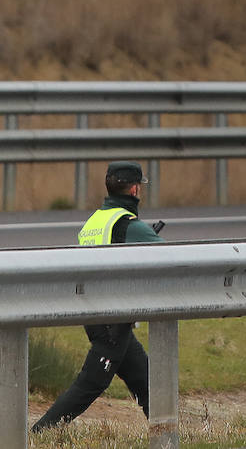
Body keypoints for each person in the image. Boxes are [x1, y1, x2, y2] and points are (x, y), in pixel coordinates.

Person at [31, 162, 165, 434]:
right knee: (89, 385)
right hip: (111, 322)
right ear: (136, 189)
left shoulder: (93, 222)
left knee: (149, 382)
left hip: (97, 316)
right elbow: (172, 257)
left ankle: (169, 433)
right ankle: (38, 435)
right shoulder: (129, 225)